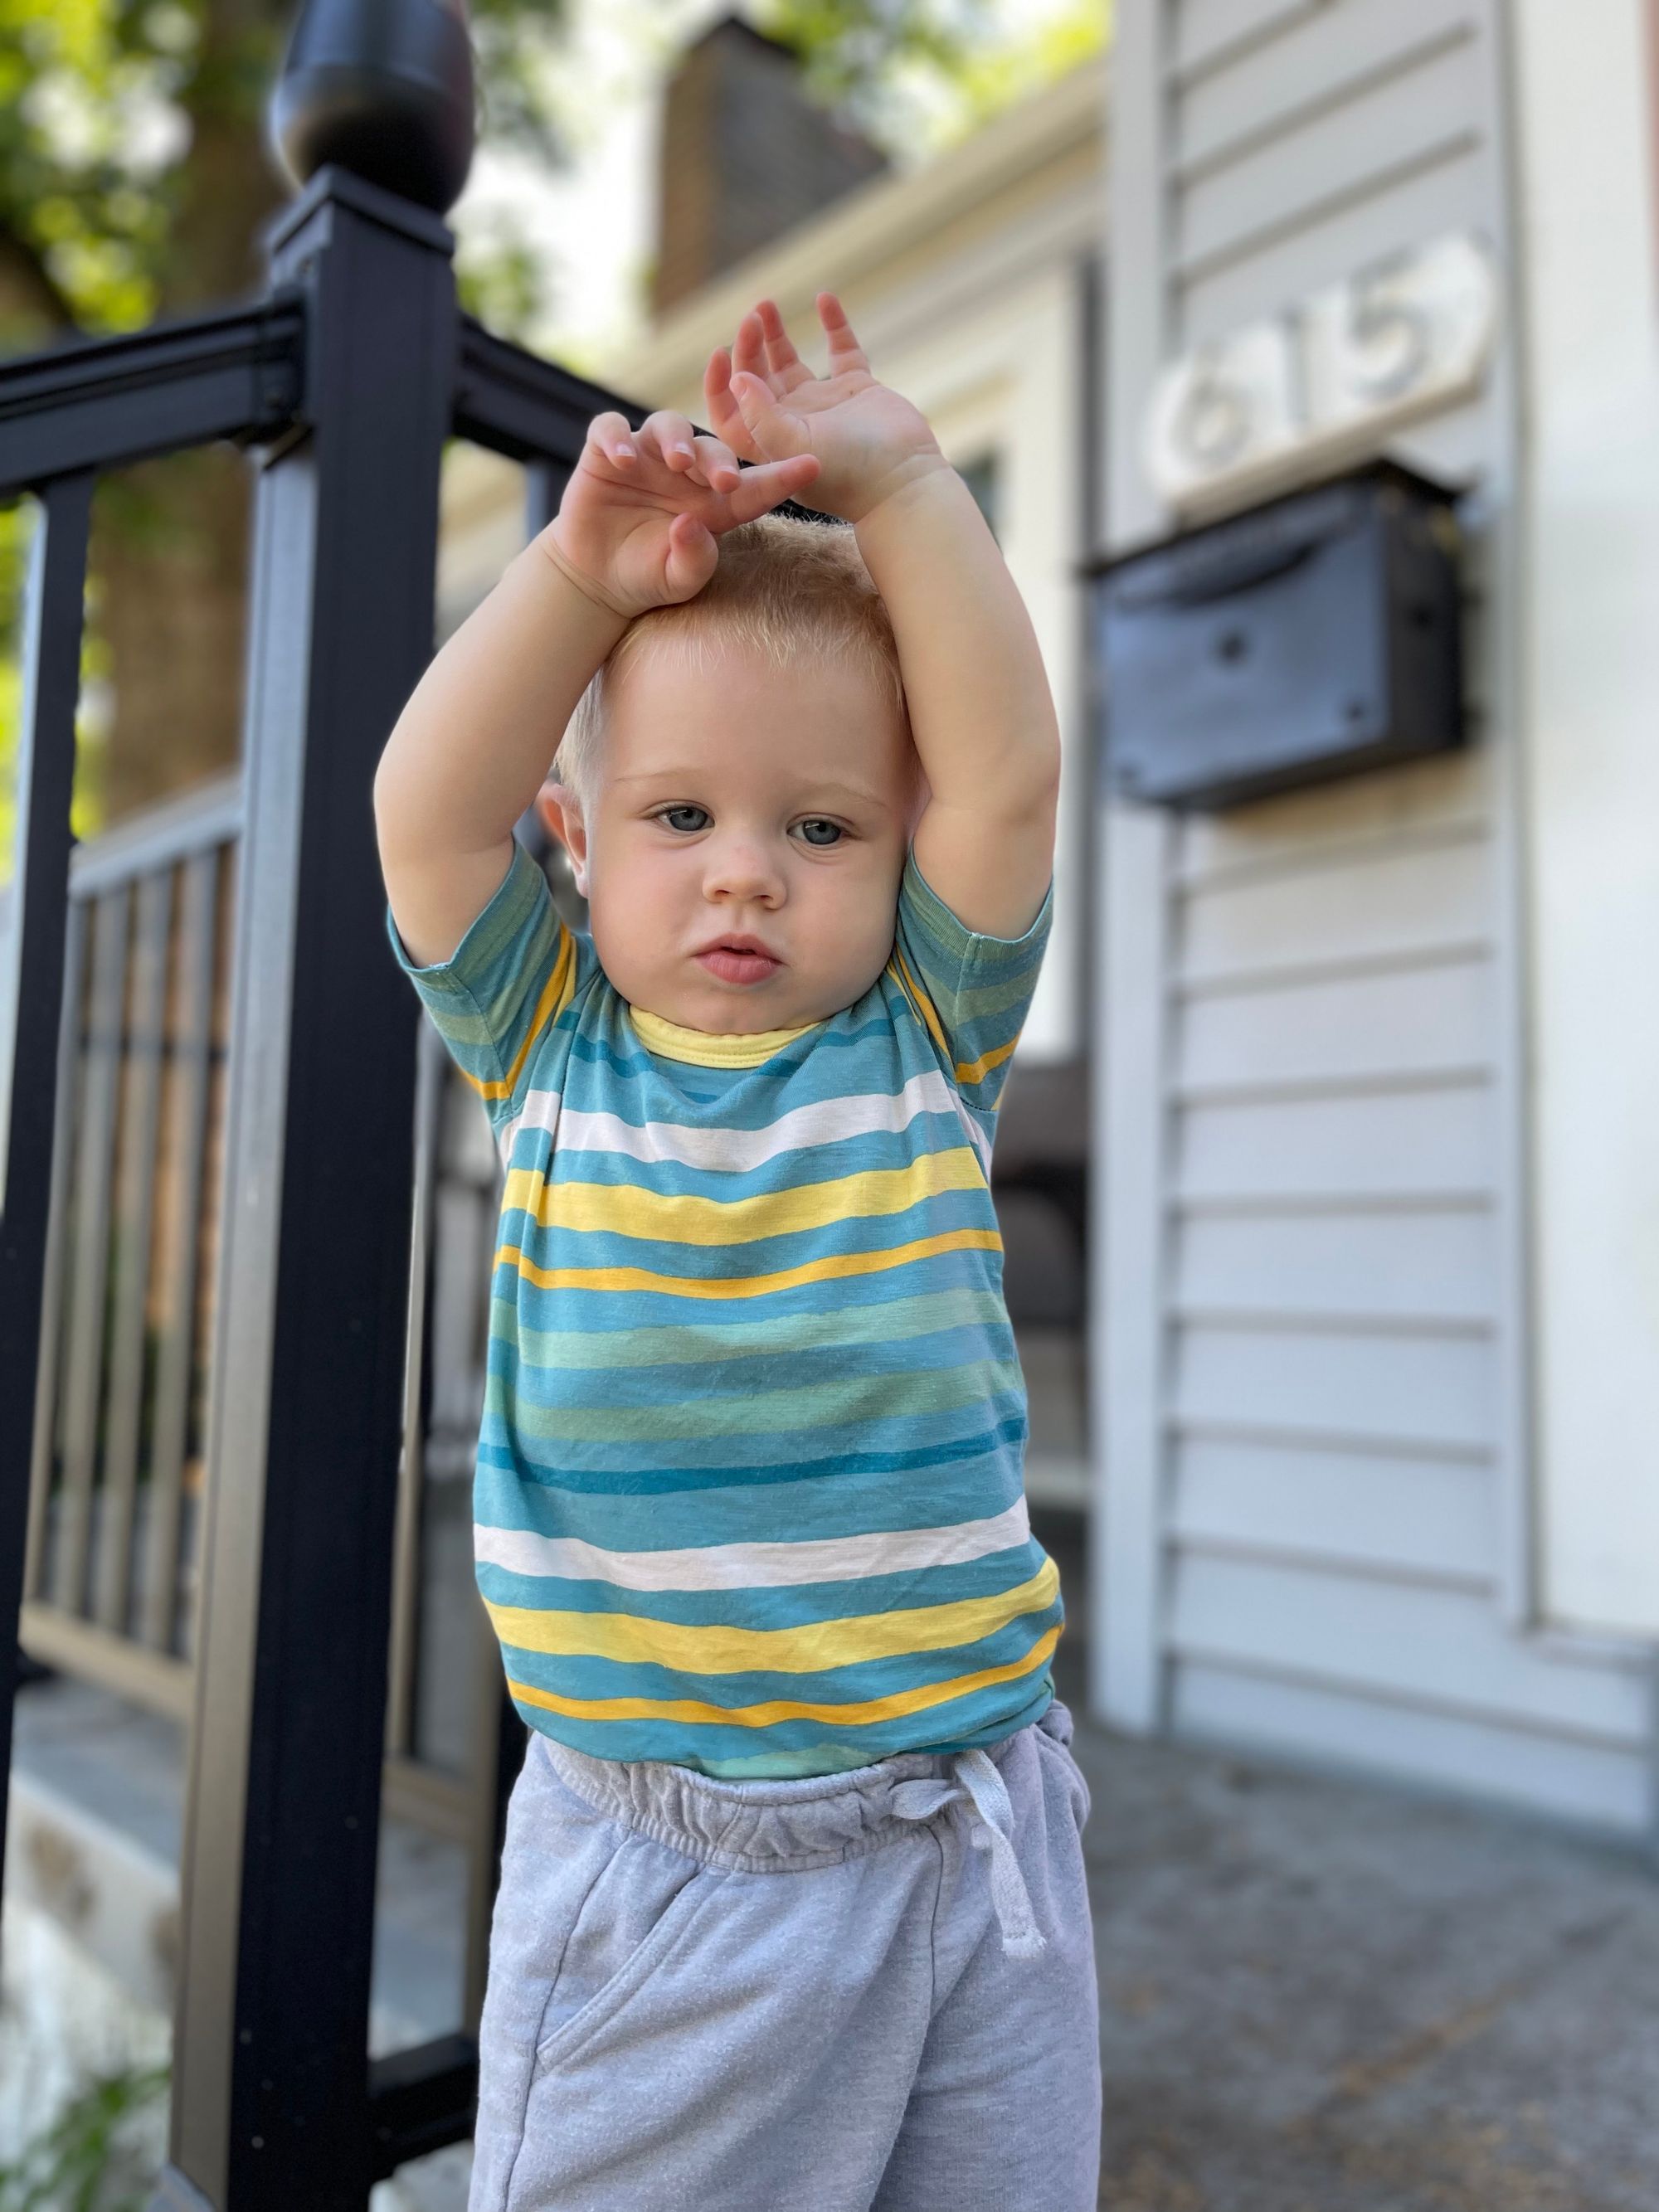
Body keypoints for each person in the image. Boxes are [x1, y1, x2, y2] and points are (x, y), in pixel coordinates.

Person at [374, 292, 1100, 2212]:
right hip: (674, 1872)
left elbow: (1008, 776)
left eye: (822, 825)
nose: (745, 868)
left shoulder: (924, 1033)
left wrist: (909, 486)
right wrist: (572, 583)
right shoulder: (549, 1045)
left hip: (975, 1830)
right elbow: (420, 815)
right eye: (679, 812)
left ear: (902, 846)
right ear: (576, 834)